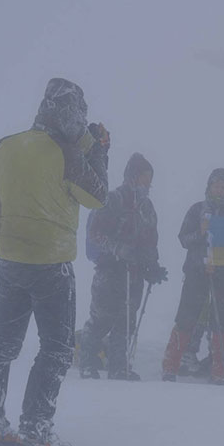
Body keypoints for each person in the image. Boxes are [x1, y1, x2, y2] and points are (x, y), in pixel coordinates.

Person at [0, 78, 109, 446]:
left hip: (11, 261)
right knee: (56, 349)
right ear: (72, 112)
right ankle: (35, 430)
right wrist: (98, 151)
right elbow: (97, 196)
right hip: (52, 266)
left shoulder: (7, 145)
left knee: (2, 344)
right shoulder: (68, 155)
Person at [79, 153, 168, 381]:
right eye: (144, 178)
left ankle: (118, 366)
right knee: (102, 316)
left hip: (134, 272)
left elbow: (151, 240)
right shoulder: (113, 199)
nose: (148, 184)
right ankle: (87, 361)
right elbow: (95, 233)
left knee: (126, 319)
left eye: (150, 179)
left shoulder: (147, 207)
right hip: (110, 269)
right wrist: (119, 249)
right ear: (132, 177)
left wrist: (153, 266)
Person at [161, 168, 224, 384]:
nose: (220, 189)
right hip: (197, 271)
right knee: (186, 317)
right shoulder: (196, 209)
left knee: (223, 321)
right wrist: (200, 233)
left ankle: (220, 371)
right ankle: (170, 367)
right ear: (209, 186)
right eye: (217, 185)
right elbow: (183, 239)